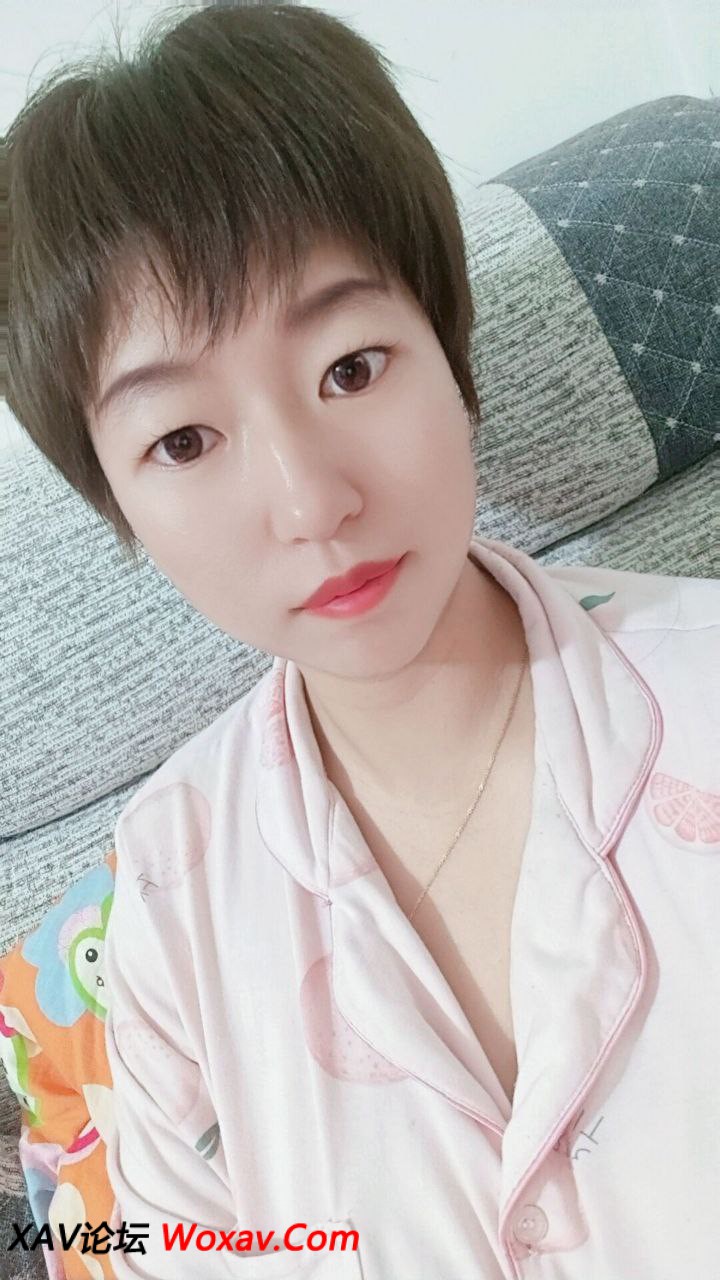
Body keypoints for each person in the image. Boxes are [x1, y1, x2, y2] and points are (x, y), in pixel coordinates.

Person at [6, 5, 719, 1278]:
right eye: (183, 439)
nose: (311, 502)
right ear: (120, 505)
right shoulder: (166, 907)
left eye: (350, 367)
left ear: (449, 346)